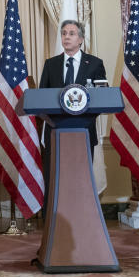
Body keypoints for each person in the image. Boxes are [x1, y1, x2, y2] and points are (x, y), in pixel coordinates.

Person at [38, 20, 107, 199]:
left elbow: (102, 97)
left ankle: (81, 221)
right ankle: (53, 221)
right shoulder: (50, 64)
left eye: (71, 33)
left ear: (81, 39)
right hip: (55, 130)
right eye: (64, 33)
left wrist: (84, 117)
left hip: (83, 130)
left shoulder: (94, 64)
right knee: (55, 180)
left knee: (81, 180)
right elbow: (41, 97)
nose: (66, 37)